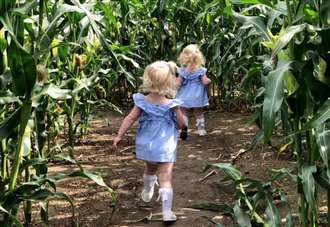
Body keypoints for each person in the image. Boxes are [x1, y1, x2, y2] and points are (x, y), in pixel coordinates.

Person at [112, 61, 186, 223]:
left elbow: (130, 118)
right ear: (169, 83)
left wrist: (119, 135)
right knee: (165, 177)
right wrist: (178, 114)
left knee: (150, 168)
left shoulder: (142, 102)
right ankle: (167, 212)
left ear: (148, 80)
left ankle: (147, 190)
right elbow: (182, 125)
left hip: (146, 146)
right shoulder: (172, 105)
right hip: (165, 147)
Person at [176, 44, 211, 139]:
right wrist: (209, 81)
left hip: (185, 96)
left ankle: (184, 130)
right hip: (197, 96)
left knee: (184, 113)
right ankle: (201, 130)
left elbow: (178, 84)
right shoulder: (200, 70)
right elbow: (205, 82)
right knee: (199, 113)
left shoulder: (182, 71)